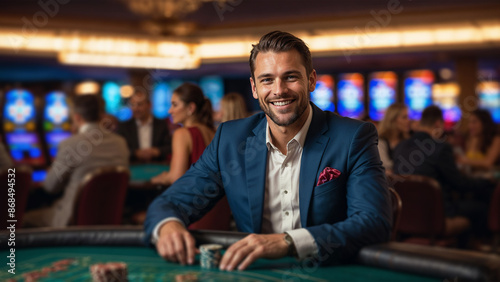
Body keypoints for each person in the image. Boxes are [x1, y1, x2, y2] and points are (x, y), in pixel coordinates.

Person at [144, 31, 391, 270]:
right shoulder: (230, 140)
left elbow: (373, 222)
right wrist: (169, 226)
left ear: (312, 80)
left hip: (326, 272)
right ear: (254, 87)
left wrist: (288, 242)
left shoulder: (352, 137)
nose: (279, 90)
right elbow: (170, 203)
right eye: (267, 79)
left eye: (291, 77)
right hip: (256, 273)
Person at [23, 95, 129, 228]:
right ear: (101, 115)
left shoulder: (71, 144)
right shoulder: (120, 142)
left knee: (23, 218)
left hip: (71, 219)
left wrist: (53, 171)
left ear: (77, 117)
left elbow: (50, 187)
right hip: (110, 219)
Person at [392, 105, 495, 240]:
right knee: (482, 208)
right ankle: (476, 255)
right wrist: (486, 182)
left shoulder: (400, 146)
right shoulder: (440, 147)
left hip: (406, 217)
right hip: (435, 215)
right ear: (438, 124)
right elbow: (459, 184)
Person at [151, 83, 216, 186]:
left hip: (194, 199)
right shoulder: (213, 131)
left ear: (190, 108)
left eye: (175, 105)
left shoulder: (182, 133)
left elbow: (176, 179)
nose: (170, 110)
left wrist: (163, 178)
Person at [117, 90, 171, 163]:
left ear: (149, 105)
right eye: (133, 105)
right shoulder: (124, 126)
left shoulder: (161, 124)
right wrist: (135, 153)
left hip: (157, 166)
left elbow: (169, 147)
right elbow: (119, 149)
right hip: (134, 167)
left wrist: (157, 151)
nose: (136, 108)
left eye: (139, 104)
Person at [377, 103, 411, 173]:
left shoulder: (408, 140)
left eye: (408, 117)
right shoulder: (381, 141)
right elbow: (384, 168)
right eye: (404, 117)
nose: (408, 121)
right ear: (393, 119)